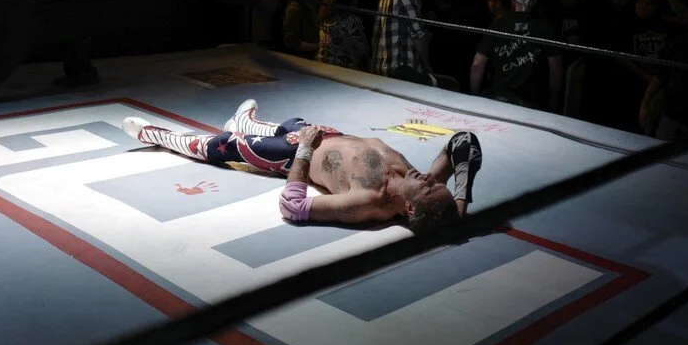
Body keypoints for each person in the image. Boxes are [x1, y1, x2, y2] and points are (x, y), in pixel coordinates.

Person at [121, 100, 483, 232]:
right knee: (293, 123)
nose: (430, 178)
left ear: (410, 208)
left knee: (222, 145)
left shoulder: (368, 201)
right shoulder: (416, 182)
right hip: (324, 134)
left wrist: (306, 150)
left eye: (429, 187)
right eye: (438, 183)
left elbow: (293, 206)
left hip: (294, 154)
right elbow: (464, 141)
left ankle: (156, 134)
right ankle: (246, 122)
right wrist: (460, 202)